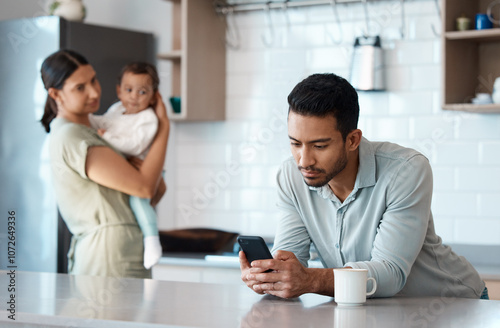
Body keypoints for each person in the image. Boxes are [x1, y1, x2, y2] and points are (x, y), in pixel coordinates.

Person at [240, 73, 488, 300]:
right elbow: (291, 256)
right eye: (295, 143)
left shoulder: (406, 170)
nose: (304, 161)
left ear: (352, 140)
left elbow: (390, 273)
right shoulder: (291, 177)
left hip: (453, 307)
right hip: (378, 313)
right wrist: (271, 276)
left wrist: (310, 280)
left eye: (319, 146)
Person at [40, 49, 169, 278]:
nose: (94, 92)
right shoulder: (72, 136)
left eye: (93, 80)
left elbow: (153, 192)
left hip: (123, 250)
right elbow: (145, 187)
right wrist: (164, 126)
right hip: (109, 255)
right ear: (56, 94)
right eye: (80, 87)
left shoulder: (93, 130)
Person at [88, 62, 163, 269]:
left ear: (153, 96)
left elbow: (134, 145)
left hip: (142, 168)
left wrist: (107, 138)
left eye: (142, 92)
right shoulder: (116, 109)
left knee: (139, 202)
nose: (134, 97)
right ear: (119, 90)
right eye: (129, 90)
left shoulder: (148, 119)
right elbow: (101, 122)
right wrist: (86, 120)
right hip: (124, 168)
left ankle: (152, 240)